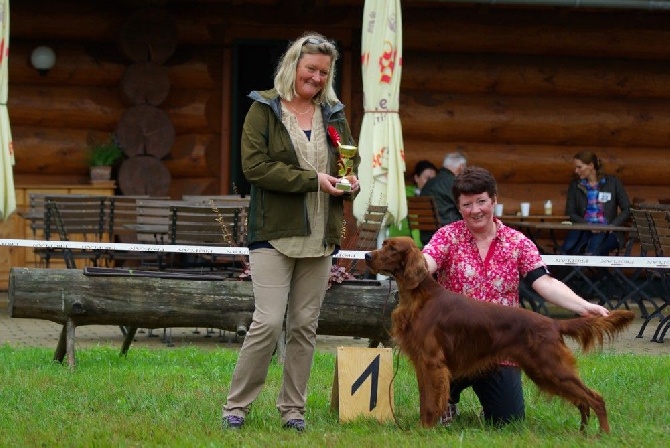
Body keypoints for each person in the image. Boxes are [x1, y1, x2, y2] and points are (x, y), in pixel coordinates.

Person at [221, 32, 360, 432]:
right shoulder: (263, 109)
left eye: (323, 72)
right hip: (274, 234)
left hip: (321, 235)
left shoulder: (333, 112)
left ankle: (293, 410)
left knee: (304, 326)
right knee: (266, 322)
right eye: (311, 69)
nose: (316, 78)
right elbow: (255, 169)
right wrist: (313, 180)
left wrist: (350, 181)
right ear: (293, 65)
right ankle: (237, 406)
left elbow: (347, 162)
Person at [421, 166, 609, 427]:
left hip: (501, 348)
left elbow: (544, 282)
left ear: (494, 200)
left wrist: (584, 306)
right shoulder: (447, 237)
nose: (475, 210)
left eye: (481, 202)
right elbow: (427, 262)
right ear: (458, 206)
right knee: (435, 367)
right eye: (467, 204)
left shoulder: (517, 242)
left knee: (508, 420)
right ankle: (447, 400)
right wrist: (413, 266)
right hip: (456, 348)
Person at [561, 151, 631, 256]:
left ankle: (599, 272)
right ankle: (570, 272)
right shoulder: (575, 186)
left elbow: (627, 209)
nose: (576, 171)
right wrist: (588, 225)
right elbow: (570, 213)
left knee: (592, 252)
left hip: (608, 231)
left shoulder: (612, 183)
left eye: (579, 167)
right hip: (583, 228)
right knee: (566, 250)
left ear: (591, 166)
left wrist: (612, 226)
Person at [418, 151, 467, 244]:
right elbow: (467, 209)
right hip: (448, 235)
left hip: (427, 236)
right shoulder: (454, 183)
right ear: (461, 167)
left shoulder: (429, 183)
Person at [388, 160, 438, 247]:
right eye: (428, 179)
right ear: (416, 178)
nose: (431, 183)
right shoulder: (404, 194)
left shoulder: (437, 196)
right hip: (402, 242)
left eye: (434, 180)